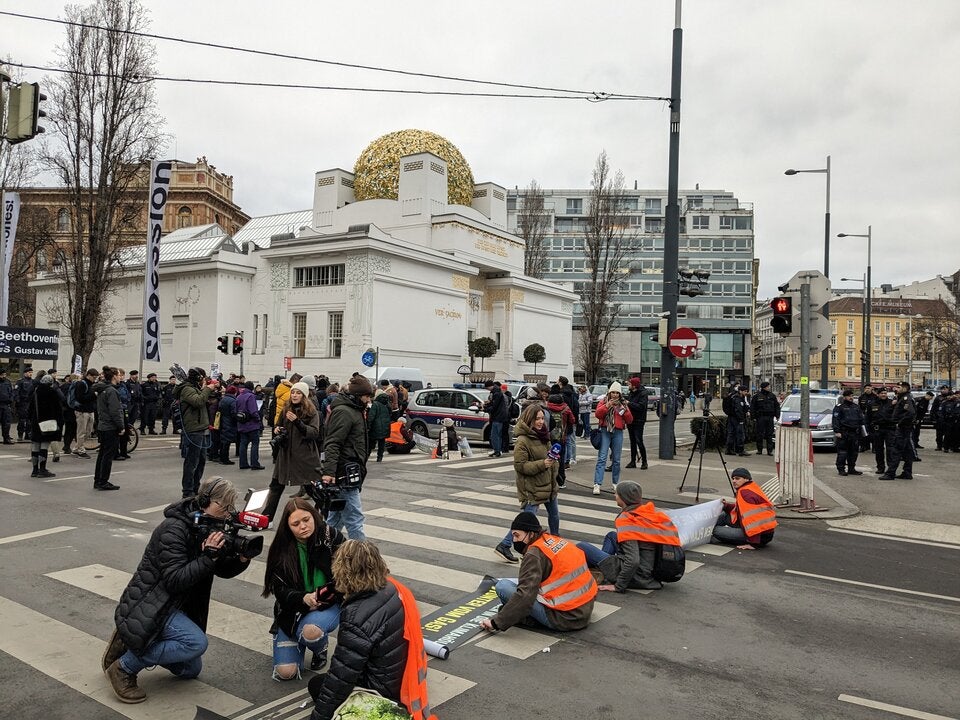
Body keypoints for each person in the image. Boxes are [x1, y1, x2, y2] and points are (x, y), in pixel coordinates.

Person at [103, 477, 251, 703]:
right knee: (196, 644)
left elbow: (220, 569)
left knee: (190, 670)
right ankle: (124, 666)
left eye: (231, 507)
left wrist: (241, 558)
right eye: (224, 506)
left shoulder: (210, 523)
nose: (228, 513)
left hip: (181, 604)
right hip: (155, 602)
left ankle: (136, 639)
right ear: (205, 500)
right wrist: (208, 557)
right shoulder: (173, 529)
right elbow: (174, 580)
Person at [308, 540, 437, 720]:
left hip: (379, 690)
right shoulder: (391, 587)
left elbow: (341, 677)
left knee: (317, 686)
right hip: (398, 679)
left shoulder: (356, 616)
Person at [262, 498, 344, 678]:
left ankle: (319, 647)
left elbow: (349, 575)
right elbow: (280, 591)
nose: (303, 526)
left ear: (314, 516)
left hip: (327, 604)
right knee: (286, 673)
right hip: (292, 611)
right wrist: (303, 598)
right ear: (288, 527)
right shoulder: (281, 548)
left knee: (310, 632)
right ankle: (296, 640)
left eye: (306, 520)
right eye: (296, 523)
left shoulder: (331, 536)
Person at [481, 512, 596, 633]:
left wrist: (496, 622)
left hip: (564, 619)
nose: (514, 540)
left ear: (530, 534)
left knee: (503, 587)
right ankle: (520, 615)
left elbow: (525, 596)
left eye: (517, 535)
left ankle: (524, 617)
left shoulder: (534, 554)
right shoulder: (556, 540)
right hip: (585, 610)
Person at [576, 481, 680, 592]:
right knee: (612, 536)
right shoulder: (645, 512)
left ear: (624, 498)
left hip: (637, 575)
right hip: (648, 568)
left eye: (617, 494)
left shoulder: (627, 520)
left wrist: (619, 586)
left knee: (581, 546)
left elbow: (633, 560)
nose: (614, 496)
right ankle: (603, 571)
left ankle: (598, 574)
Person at [494, 404, 560, 563]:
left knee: (555, 516)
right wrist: (542, 464)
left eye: (542, 418)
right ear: (529, 419)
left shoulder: (544, 435)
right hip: (532, 487)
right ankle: (505, 544)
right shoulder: (523, 440)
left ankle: (556, 543)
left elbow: (550, 458)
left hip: (548, 484)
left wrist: (554, 466)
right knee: (526, 521)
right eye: (537, 418)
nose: (540, 422)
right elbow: (520, 466)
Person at [320, 375, 373, 540]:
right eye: (367, 396)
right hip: (345, 473)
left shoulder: (354, 410)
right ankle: (363, 560)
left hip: (349, 471)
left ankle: (324, 550)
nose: (369, 399)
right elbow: (333, 443)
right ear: (358, 395)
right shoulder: (345, 411)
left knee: (335, 520)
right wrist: (329, 472)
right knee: (355, 520)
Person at [262, 382, 321, 521]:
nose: (294, 395)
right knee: (276, 486)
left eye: (298, 393)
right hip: (285, 455)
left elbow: (314, 433)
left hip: (304, 457)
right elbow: (278, 425)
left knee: (313, 488)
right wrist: (277, 429)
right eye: (293, 392)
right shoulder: (286, 408)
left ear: (304, 395)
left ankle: (323, 515)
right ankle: (266, 518)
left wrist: (298, 422)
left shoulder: (312, 412)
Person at [174, 367, 215, 498]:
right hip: (193, 429)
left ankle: (195, 487)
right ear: (198, 378)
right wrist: (207, 389)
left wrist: (211, 391)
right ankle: (187, 491)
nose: (204, 380)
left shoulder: (194, 388)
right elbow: (198, 401)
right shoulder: (187, 389)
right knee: (192, 461)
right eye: (203, 377)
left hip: (201, 428)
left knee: (201, 460)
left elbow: (203, 400)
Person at [712, 468, 777, 549]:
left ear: (746, 479)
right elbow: (741, 510)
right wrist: (726, 506)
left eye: (737, 478)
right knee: (725, 515)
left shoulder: (745, 493)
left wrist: (753, 544)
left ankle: (704, 531)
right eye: (733, 478)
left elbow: (752, 519)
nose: (734, 481)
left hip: (760, 537)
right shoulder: (750, 487)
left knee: (716, 530)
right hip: (765, 532)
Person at [592, 381, 633, 495]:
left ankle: (615, 483)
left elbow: (629, 420)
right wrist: (607, 406)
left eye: (617, 393)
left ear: (620, 394)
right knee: (602, 458)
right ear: (609, 393)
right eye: (613, 392)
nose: (615, 395)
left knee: (616, 459)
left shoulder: (623, 404)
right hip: (605, 431)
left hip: (618, 432)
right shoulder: (603, 401)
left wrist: (623, 409)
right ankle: (597, 484)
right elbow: (598, 414)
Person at [93, 367, 126, 491]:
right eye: (118, 375)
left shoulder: (102, 389)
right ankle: (103, 481)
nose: (120, 377)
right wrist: (121, 426)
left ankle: (98, 480)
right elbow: (115, 411)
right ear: (114, 377)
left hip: (103, 425)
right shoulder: (112, 391)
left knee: (102, 454)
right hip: (110, 427)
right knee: (108, 455)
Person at [28, 373, 64, 478]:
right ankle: (42, 469)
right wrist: (60, 422)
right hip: (48, 422)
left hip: (36, 421)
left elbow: (30, 408)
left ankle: (34, 470)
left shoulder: (36, 391)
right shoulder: (52, 392)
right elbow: (58, 409)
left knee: (35, 445)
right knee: (44, 445)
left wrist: (32, 419)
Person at [880, 382, 916, 480]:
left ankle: (890, 473)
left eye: (899, 387)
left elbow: (910, 413)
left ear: (904, 388)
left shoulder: (906, 398)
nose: (896, 388)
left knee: (896, 450)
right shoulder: (902, 397)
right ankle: (907, 472)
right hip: (905, 428)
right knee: (907, 452)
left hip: (903, 429)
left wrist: (900, 423)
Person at [544, 392, 575, 487]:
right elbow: (572, 420)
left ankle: (548, 479)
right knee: (560, 460)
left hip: (548, 438)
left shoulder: (546, 408)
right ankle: (560, 481)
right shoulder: (566, 409)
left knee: (548, 458)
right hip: (561, 438)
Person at [832, 389, 865, 476]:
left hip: (854, 433)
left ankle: (851, 468)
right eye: (849, 396)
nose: (851, 398)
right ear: (844, 397)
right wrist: (837, 431)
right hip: (844, 433)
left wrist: (863, 431)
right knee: (843, 452)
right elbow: (835, 420)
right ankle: (841, 469)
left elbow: (861, 419)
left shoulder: (856, 407)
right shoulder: (839, 407)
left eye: (852, 396)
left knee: (854, 452)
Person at [71, 368, 99, 457]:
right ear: (88, 375)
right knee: (81, 431)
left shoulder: (93, 384)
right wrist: (93, 395)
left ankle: (77, 447)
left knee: (89, 431)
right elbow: (80, 398)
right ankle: (80, 450)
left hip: (90, 410)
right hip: (82, 411)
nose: (95, 379)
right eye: (94, 377)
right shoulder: (81, 384)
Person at [237, 380, 265, 470]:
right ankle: (254, 463)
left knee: (243, 443)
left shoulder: (239, 396)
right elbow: (253, 411)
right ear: (252, 387)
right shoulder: (251, 396)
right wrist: (258, 419)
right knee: (255, 443)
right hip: (252, 424)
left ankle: (243, 463)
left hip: (241, 423)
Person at [750, 381, 781, 456]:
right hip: (760, 417)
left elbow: (776, 406)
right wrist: (753, 417)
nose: (769, 388)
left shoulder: (772, 396)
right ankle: (759, 450)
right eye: (768, 387)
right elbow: (752, 407)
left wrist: (777, 415)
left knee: (769, 434)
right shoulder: (757, 396)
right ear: (764, 387)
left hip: (770, 417)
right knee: (760, 434)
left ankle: (769, 450)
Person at [625, 377, 649, 469]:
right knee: (632, 441)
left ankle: (644, 462)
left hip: (639, 420)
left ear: (634, 385)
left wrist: (629, 403)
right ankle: (632, 461)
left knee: (639, 440)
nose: (628, 385)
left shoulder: (643, 393)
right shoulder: (632, 393)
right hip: (631, 420)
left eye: (629, 384)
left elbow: (641, 407)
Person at [870, 387, 894, 475]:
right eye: (882, 393)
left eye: (885, 393)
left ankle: (891, 468)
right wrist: (869, 430)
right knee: (878, 450)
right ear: (878, 394)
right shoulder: (872, 404)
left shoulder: (892, 403)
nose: (883, 395)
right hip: (877, 429)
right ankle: (880, 467)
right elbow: (868, 417)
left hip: (889, 429)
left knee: (890, 450)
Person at [723, 385, 751, 457]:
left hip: (731, 418)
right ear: (740, 391)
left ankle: (729, 449)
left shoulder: (734, 397)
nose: (746, 393)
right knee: (740, 435)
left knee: (731, 434)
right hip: (737, 419)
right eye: (745, 391)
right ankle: (740, 450)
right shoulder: (738, 399)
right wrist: (741, 419)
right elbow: (738, 410)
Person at [483, 379, 508, 458]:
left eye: (487, 388)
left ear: (490, 386)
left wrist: (485, 409)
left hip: (497, 417)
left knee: (495, 434)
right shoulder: (496, 392)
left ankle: (497, 451)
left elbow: (494, 406)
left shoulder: (496, 393)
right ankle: (497, 450)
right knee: (497, 434)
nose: (487, 390)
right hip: (499, 416)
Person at [367, 392, 391, 463]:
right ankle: (379, 457)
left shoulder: (375, 404)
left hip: (375, 427)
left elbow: (371, 416)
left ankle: (367, 456)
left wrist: (368, 425)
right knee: (381, 443)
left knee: (371, 443)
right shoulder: (387, 406)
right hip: (385, 427)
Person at [217, 385, 238, 464]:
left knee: (223, 441)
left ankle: (222, 458)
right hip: (230, 422)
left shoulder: (223, 399)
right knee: (227, 442)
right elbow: (234, 413)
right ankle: (225, 459)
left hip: (223, 421)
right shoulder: (233, 401)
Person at [858, 384, 880, 451]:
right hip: (864, 416)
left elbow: (878, 407)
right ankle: (864, 446)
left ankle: (874, 447)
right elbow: (860, 407)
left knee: (874, 433)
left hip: (873, 417)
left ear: (871, 389)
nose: (867, 389)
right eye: (866, 388)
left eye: (869, 388)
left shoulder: (875, 397)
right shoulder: (861, 397)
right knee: (863, 432)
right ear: (864, 389)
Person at [15, 366, 34, 441]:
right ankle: (20, 435)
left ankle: (28, 435)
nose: (31, 374)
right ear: (25, 373)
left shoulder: (33, 381)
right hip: (22, 403)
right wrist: (18, 401)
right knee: (22, 420)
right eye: (29, 372)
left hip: (30, 403)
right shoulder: (20, 381)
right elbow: (17, 392)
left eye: (31, 372)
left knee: (29, 421)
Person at [931, 385, 952, 451]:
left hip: (948, 419)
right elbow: (933, 409)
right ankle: (939, 446)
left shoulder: (951, 398)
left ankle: (946, 446)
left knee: (948, 434)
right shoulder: (938, 398)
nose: (944, 390)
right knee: (939, 434)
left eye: (946, 389)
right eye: (943, 389)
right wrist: (933, 419)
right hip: (939, 419)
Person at [0, 366, 15, 444]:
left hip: (6, 405)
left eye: (4, 375)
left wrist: (11, 399)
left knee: (6, 423)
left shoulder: (7, 382)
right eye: (2, 375)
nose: (4, 376)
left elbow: (11, 392)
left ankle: (6, 438)